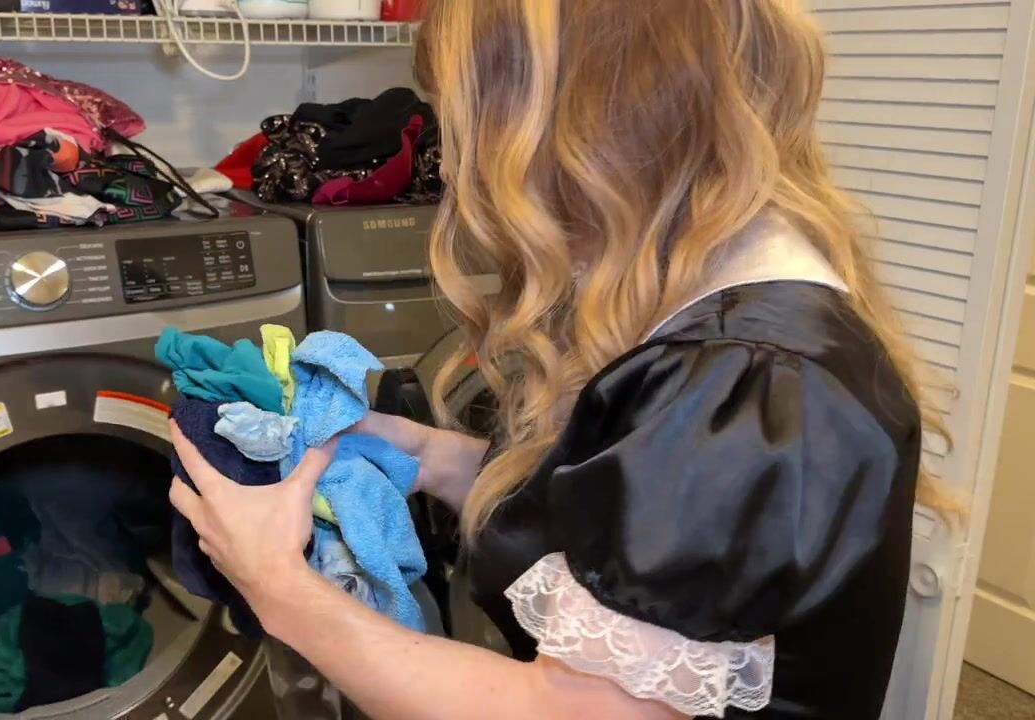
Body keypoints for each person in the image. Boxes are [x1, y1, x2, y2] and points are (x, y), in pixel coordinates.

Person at [168, 1, 955, 717]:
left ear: (584, 128)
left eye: (467, 129)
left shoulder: (739, 378)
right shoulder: (736, 320)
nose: (459, 171)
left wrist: (276, 584)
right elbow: (621, 515)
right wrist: (423, 454)